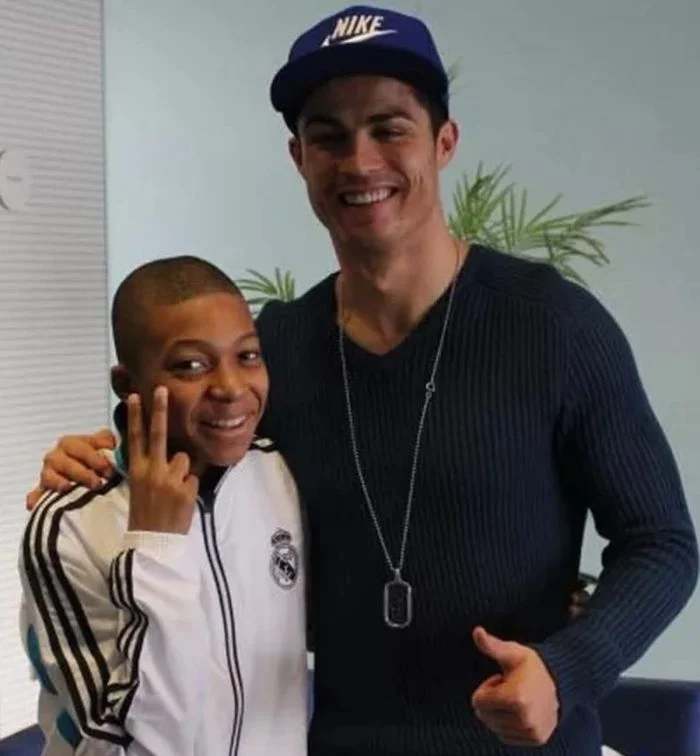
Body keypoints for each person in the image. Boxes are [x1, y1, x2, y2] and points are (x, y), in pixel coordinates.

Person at [26, 5, 698, 755]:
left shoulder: (555, 326)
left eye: (389, 128)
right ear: (299, 158)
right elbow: (193, 465)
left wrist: (567, 669)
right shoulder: (275, 349)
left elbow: (662, 542)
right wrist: (100, 457)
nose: (360, 161)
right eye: (329, 137)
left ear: (444, 141)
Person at [18, 257, 307, 755]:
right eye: (190, 365)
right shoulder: (69, 526)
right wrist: (156, 548)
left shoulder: (282, 473)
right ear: (127, 385)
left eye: (247, 355)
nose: (231, 387)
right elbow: (121, 747)